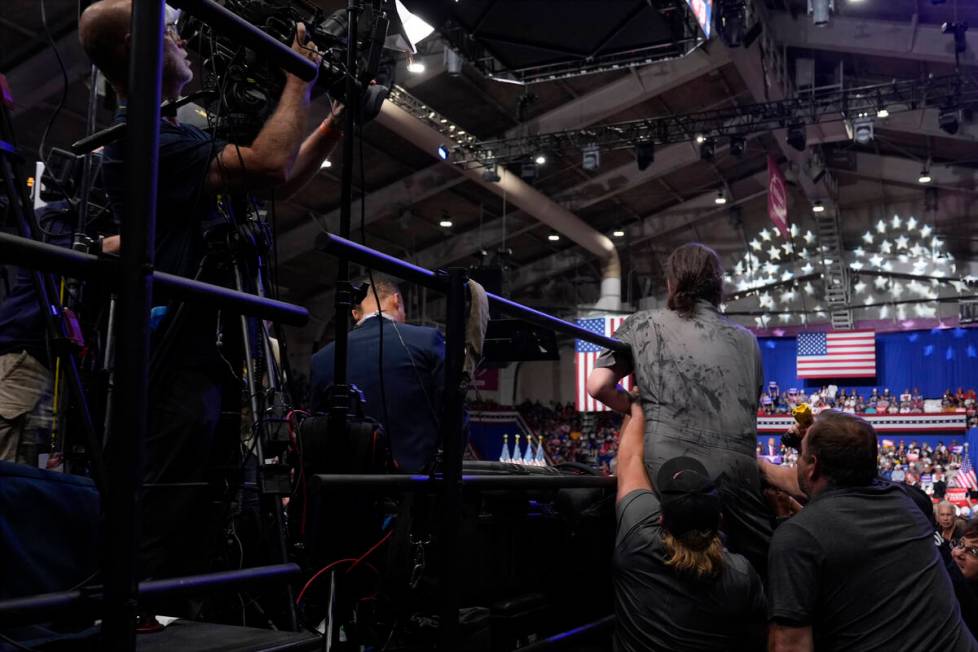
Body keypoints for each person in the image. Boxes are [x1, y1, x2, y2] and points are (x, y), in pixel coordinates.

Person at [78, 0, 341, 592]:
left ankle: (172, 611)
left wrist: (334, 121)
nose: (183, 41)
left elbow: (277, 178)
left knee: (201, 503)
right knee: (164, 505)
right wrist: (298, 80)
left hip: (205, 350)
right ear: (133, 45)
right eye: (170, 32)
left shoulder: (168, 134)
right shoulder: (143, 139)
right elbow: (272, 164)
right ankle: (134, 616)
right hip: (174, 353)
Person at [587, 242, 772, 571]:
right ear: (718, 287)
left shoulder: (644, 324)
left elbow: (596, 385)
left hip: (672, 473)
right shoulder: (746, 339)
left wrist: (633, 404)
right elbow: (750, 407)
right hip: (740, 483)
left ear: (672, 283)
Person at [765, 411, 976, 651]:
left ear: (813, 466)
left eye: (801, 455)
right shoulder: (907, 503)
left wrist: (764, 473)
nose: (797, 460)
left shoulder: (797, 537)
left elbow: (790, 645)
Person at [613, 400, 766, 652]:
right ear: (720, 521)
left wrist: (637, 404)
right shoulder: (741, 575)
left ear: (661, 519)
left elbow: (629, 460)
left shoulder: (636, 545)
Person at [309, 274, 445, 472]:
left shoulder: (321, 358)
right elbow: (453, 411)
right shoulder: (427, 340)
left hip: (345, 486)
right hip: (416, 487)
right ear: (396, 300)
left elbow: (316, 430)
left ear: (356, 314)